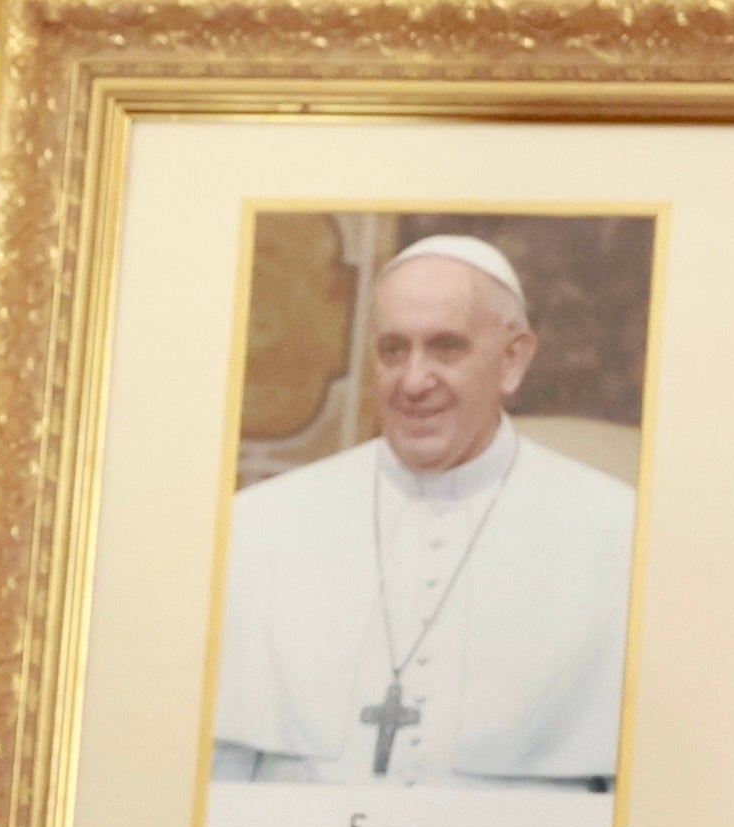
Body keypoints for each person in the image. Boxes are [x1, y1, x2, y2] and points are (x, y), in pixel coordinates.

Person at [206, 233, 638, 788]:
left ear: (512, 360)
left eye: (446, 347)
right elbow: (217, 791)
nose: (413, 381)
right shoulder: (260, 525)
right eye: (393, 350)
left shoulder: (616, 533)